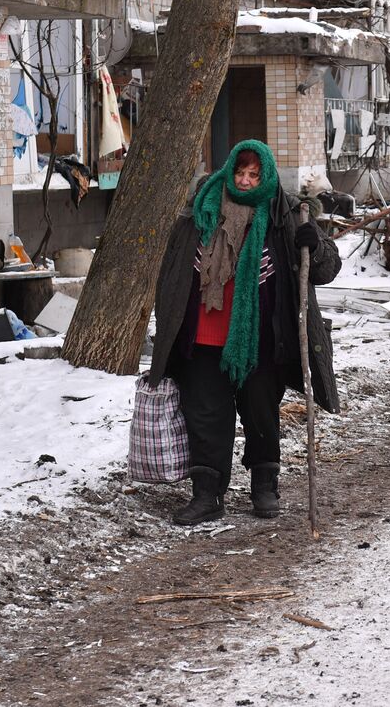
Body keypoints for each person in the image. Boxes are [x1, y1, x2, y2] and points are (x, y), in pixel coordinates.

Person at [147, 140, 342, 526]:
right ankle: (207, 494)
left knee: (261, 414)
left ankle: (264, 486)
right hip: (202, 338)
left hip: (263, 341)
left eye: (254, 174)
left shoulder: (284, 216)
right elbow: (169, 276)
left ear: (266, 175)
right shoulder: (197, 214)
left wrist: (314, 244)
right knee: (205, 417)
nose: (247, 180)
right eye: (241, 172)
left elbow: (324, 269)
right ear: (228, 172)